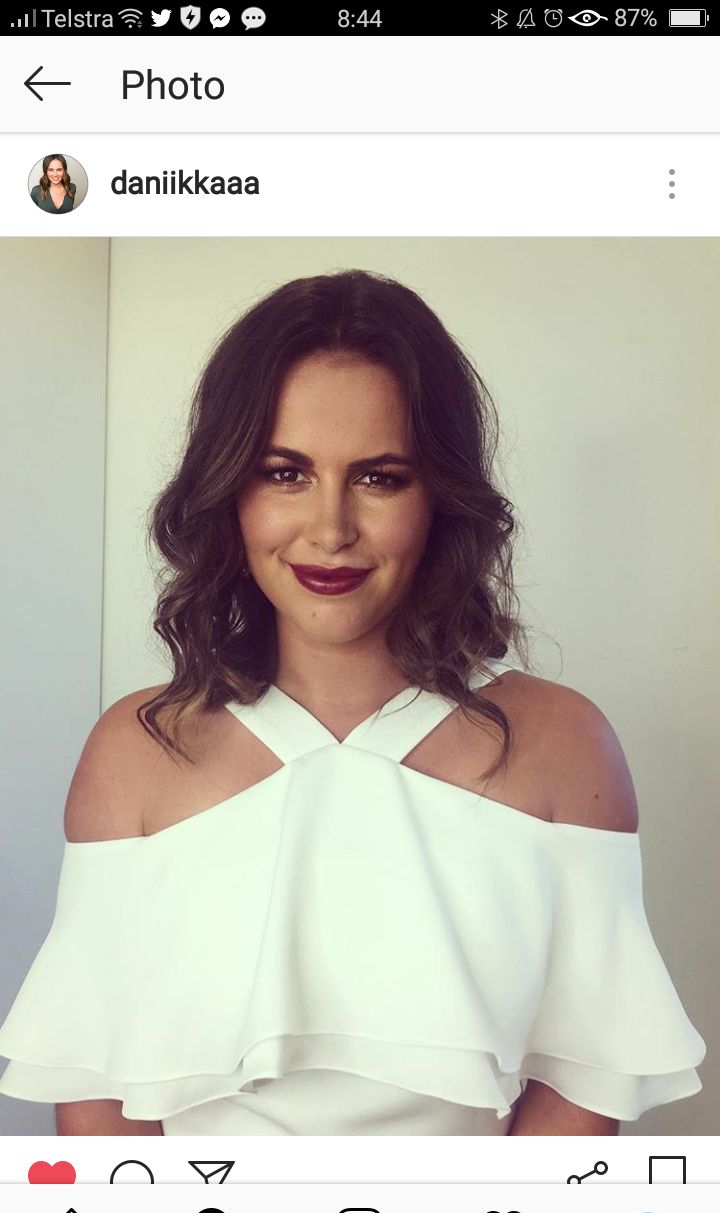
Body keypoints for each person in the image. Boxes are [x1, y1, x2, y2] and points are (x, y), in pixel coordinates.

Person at [0, 269, 706, 1137]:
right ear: (229, 490)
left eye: (379, 477)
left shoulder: (563, 747)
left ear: (440, 496)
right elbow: (95, 1088)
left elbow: (589, 1076)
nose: (331, 529)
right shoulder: (135, 752)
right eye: (285, 472)